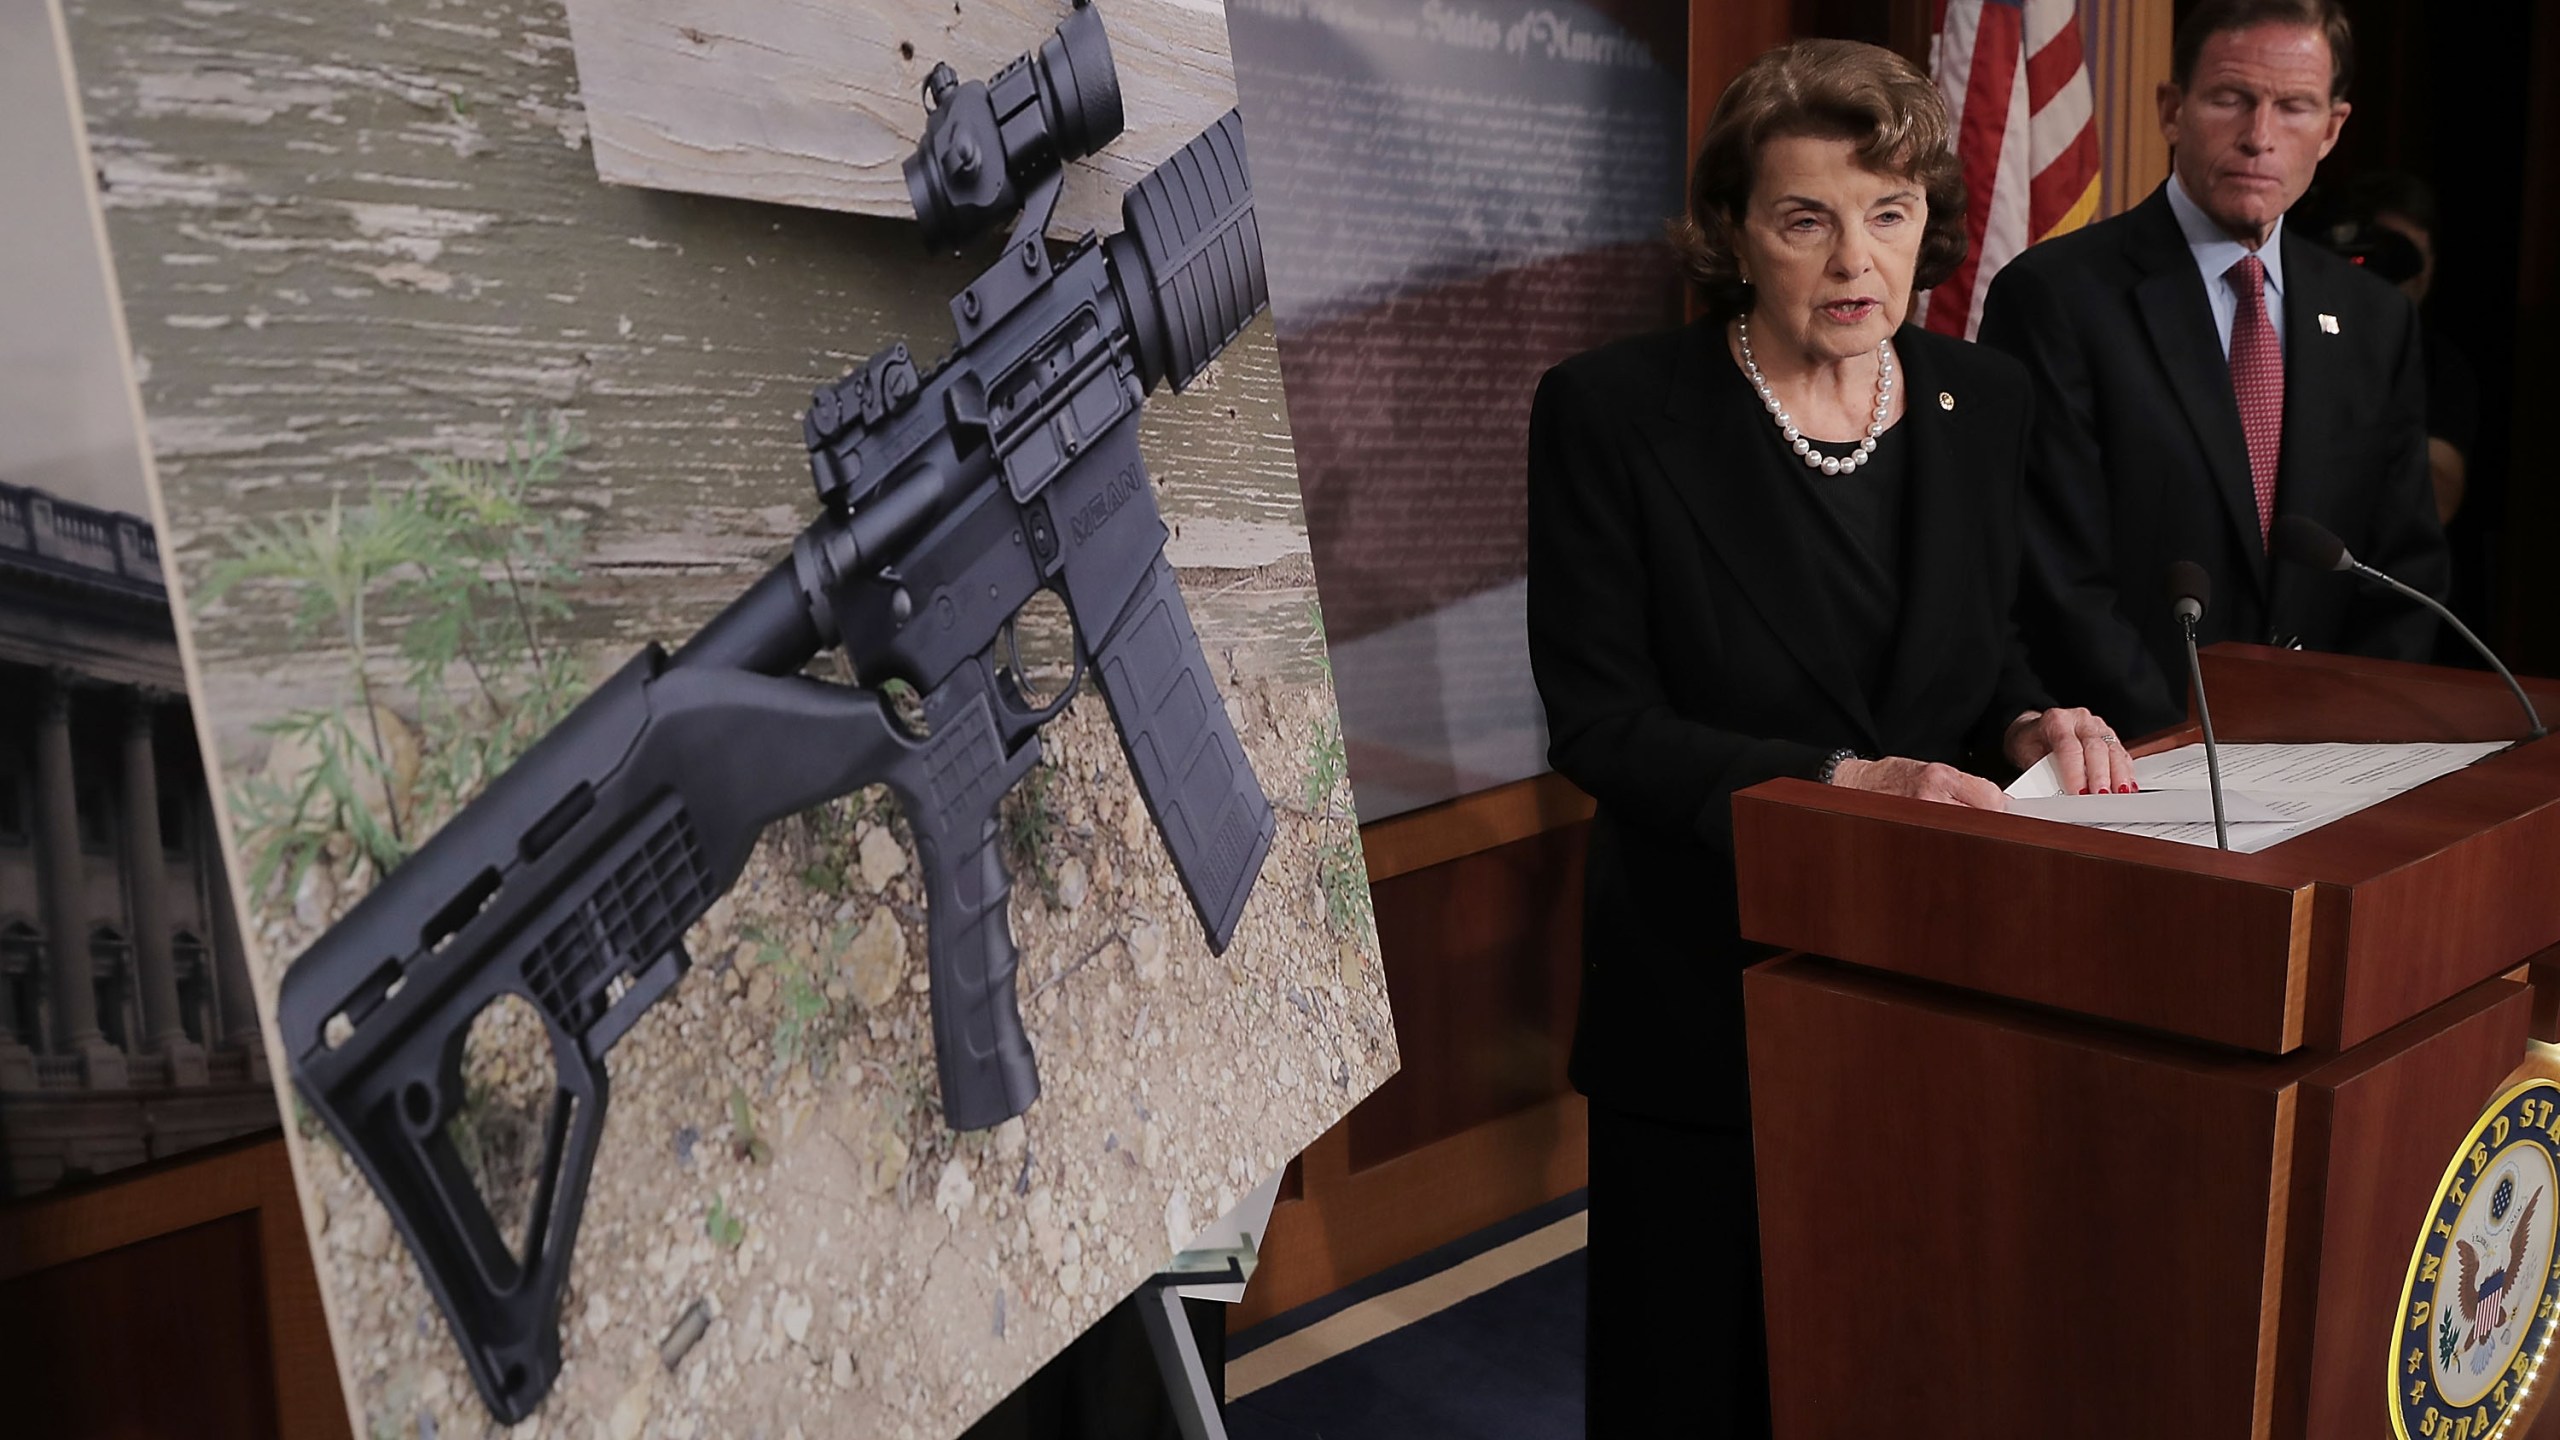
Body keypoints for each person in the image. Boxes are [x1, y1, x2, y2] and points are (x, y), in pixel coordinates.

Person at [1524, 39, 2125, 1437]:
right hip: (1708, 985)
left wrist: (2030, 716)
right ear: (1736, 232)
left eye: (1890, 214)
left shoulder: (1984, 405)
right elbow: (1600, 726)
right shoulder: (1615, 414)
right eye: (1807, 219)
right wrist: (1840, 784)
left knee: (1904, 1357)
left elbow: (1976, 657)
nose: (1857, 259)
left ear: (1929, 228)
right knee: (1698, 1378)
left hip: (1933, 976)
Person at [1976, 0, 2446, 740]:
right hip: (2133, 763)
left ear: (2331, 128)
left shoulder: (2375, 319)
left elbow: (2404, 573)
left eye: (2293, 107)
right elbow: (2055, 580)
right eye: (2231, 99)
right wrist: (2192, 751)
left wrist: (2344, 742)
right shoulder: (2058, 298)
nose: (2259, 137)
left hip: (2328, 774)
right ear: (2172, 109)